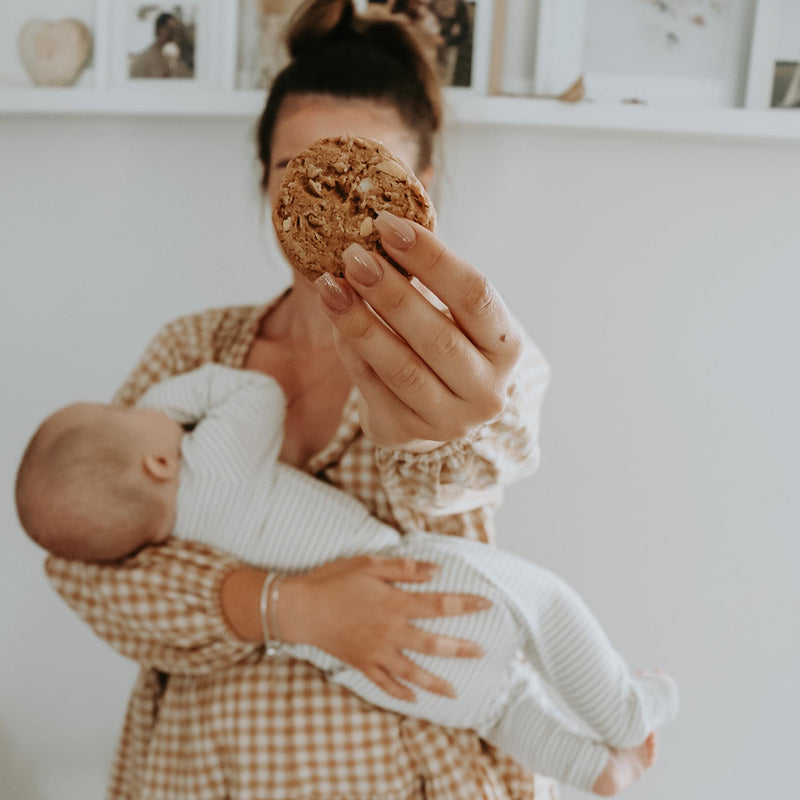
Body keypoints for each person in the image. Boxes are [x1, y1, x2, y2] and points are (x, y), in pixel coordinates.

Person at [43, 1, 555, 797]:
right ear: (268, 185)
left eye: (364, 176)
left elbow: (485, 455)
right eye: (299, 175)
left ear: (418, 195)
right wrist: (289, 609)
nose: (333, 202)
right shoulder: (193, 354)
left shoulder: (468, 360)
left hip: (418, 770)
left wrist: (443, 440)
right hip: (199, 772)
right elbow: (87, 570)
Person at [18, 364, 678, 795]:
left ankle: (595, 769)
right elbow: (257, 393)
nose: (138, 406)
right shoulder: (209, 459)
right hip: (410, 578)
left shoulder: (170, 538)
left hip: (371, 672)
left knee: (496, 706)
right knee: (546, 608)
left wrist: (139, 431)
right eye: (127, 415)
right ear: (159, 461)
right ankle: (625, 710)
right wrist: (165, 407)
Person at [129, 12, 192, 79]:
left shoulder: (180, 58)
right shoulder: (144, 60)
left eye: (175, 30)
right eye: (169, 29)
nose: (173, 34)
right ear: (158, 30)